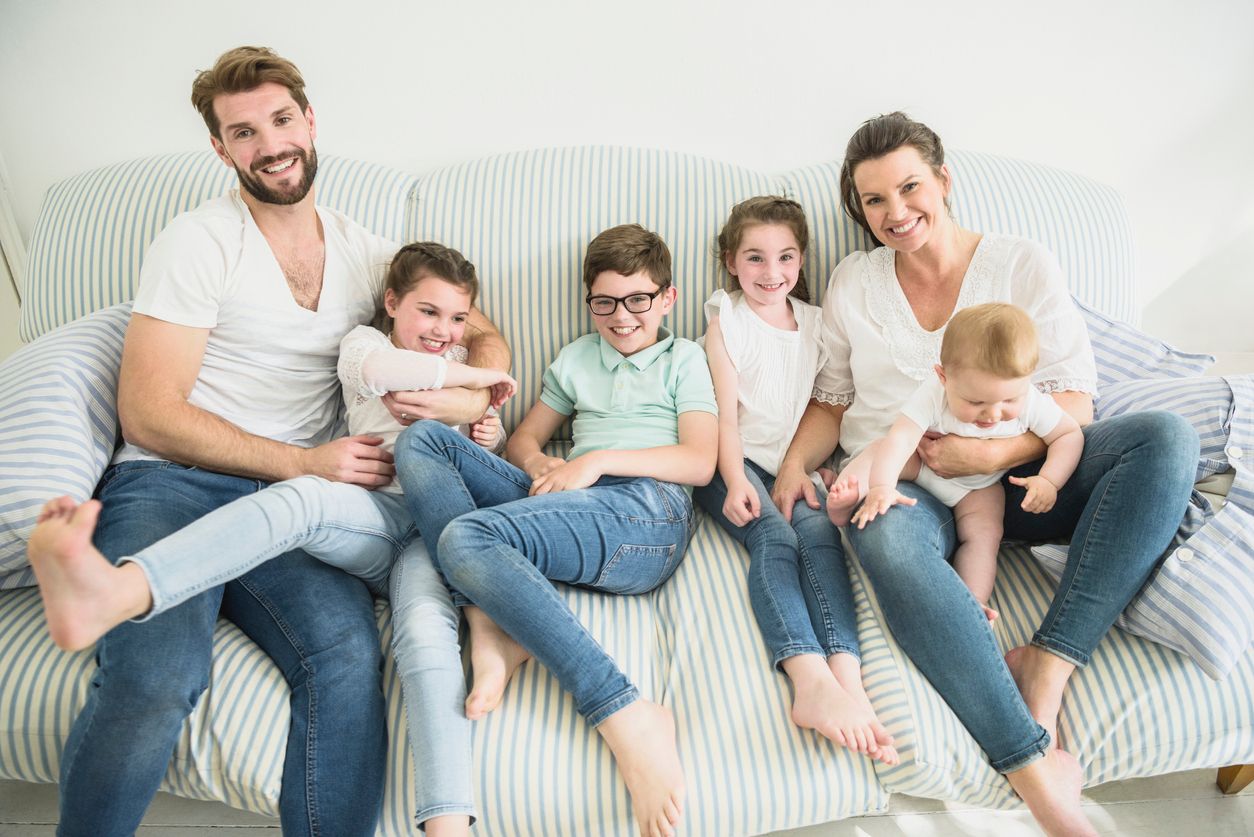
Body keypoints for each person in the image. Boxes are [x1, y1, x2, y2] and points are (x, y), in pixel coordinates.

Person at [24, 46, 509, 837]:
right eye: (244, 132)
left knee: (346, 659)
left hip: (294, 509)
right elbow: (147, 412)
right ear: (221, 149)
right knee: (159, 674)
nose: (271, 144)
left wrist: (467, 391)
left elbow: (480, 332)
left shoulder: (367, 253)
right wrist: (303, 462)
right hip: (172, 484)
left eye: (282, 120)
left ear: (310, 122)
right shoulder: (197, 241)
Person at [770, 112, 1197, 837]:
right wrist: (790, 465)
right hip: (906, 480)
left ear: (943, 179)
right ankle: (1031, 766)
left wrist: (993, 455)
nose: (896, 212)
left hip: (1026, 478)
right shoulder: (854, 282)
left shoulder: (1021, 264)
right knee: (884, 535)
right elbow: (833, 400)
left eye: (910, 187)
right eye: (874, 200)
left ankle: (1049, 664)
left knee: (1165, 439)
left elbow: (1074, 399)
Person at [393, 224, 718, 837]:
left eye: (638, 300)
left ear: (667, 299)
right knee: (423, 440)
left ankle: (623, 710)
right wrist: (543, 463)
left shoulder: (685, 359)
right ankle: (494, 621)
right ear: (589, 301)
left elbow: (700, 462)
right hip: (570, 498)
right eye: (605, 302)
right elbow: (523, 439)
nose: (621, 317)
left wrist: (596, 462)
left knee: (465, 538)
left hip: (647, 514)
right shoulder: (577, 357)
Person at [692, 196, 896, 762]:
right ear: (731, 262)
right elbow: (723, 419)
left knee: (820, 535)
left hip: (789, 464)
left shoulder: (814, 323)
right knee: (774, 538)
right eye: (755, 258)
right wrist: (736, 480)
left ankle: (846, 673)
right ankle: (807, 675)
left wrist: (808, 464)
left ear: (801, 260)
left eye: (785, 257)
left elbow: (820, 404)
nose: (771, 272)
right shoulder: (726, 321)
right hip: (729, 461)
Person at [829, 302, 1084, 622]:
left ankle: (974, 601)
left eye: (1009, 400)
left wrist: (1049, 479)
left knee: (985, 535)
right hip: (922, 464)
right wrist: (883, 486)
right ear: (943, 377)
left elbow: (1068, 435)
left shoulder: (1032, 400)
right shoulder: (933, 393)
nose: (993, 414)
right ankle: (845, 502)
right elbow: (902, 438)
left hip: (977, 488)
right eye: (975, 401)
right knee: (879, 450)